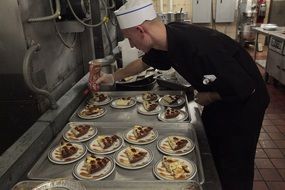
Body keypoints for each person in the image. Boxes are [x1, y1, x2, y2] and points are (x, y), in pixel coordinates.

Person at [89, 0, 270, 189]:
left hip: (246, 103)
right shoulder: (167, 38)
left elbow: (244, 87)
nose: (132, 45)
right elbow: (143, 63)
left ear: (141, 31)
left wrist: (209, 96)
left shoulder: (200, 47)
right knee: (210, 145)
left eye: (130, 39)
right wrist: (112, 77)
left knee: (234, 161)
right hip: (222, 95)